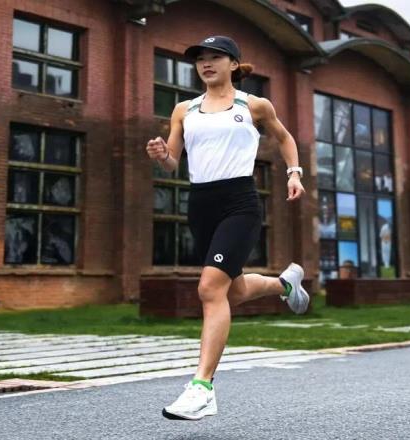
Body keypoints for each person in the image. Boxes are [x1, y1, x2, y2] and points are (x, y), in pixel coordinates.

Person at [145, 35, 309, 421]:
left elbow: (284, 137)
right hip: (200, 204)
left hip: (239, 203)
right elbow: (172, 162)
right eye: (200, 58)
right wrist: (161, 155)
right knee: (231, 291)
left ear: (234, 64)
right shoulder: (184, 110)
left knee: (209, 288)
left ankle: (202, 387)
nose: (206, 63)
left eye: (215, 57)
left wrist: (294, 173)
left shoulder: (253, 105)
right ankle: (285, 285)